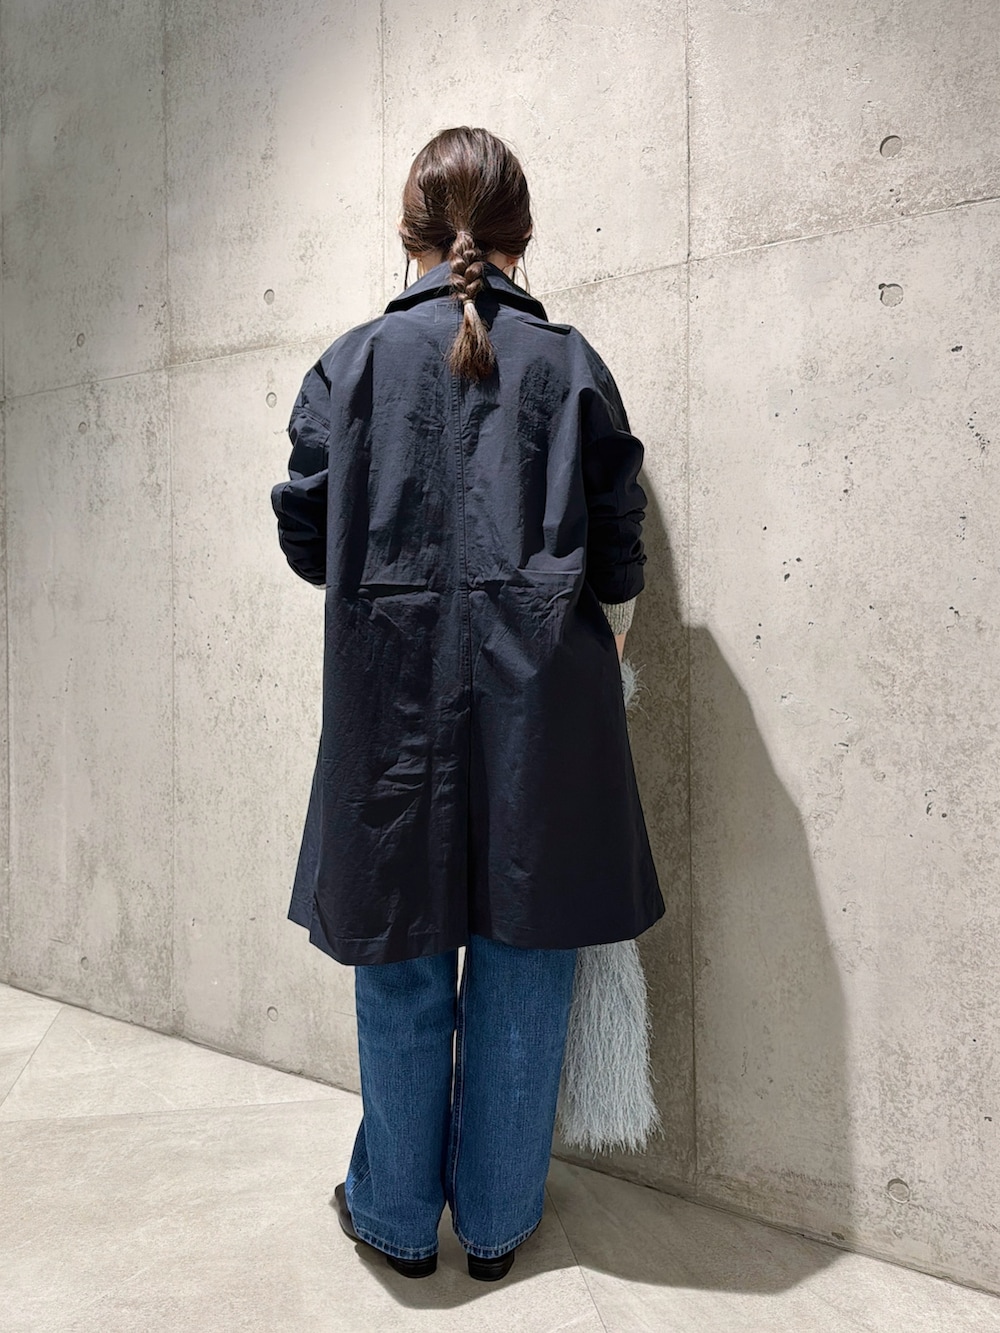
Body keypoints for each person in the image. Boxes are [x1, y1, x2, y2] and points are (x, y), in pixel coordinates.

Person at [270, 126, 664, 1282]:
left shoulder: (350, 366)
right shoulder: (569, 362)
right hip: (546, 710)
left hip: (388, 702)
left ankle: (396, 1220)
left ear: (410, 231)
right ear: (520, 234)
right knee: (523, 954)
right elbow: (619, 540)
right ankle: (495, 1222)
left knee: (398, 957)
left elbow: (307, 532)